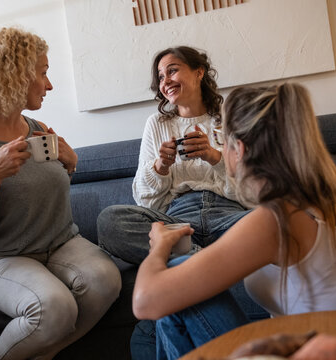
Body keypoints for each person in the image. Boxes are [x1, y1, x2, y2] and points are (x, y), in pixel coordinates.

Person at [132, 83, 336, 360]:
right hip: (308, 344)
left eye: (222, 139)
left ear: (239, 149)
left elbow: (145, 302)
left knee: (172, 279)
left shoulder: (274, 220)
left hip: (322, 351)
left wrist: (159, 247)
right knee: (176, 287)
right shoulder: (313, 202)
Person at [0, 27, 121, 360]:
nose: (49, 85)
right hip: (3, 258)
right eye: (43, 73)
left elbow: (42, 188)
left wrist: (71, 163)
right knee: (55, 307)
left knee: (106, 281)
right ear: (14, 76)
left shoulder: (37, 130)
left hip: (61, 243)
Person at [96, 46, 250, 358]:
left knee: (279, 218)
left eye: (173, 69)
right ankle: (204, 261)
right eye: (161, 76)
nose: (166, 79)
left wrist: (215, 157)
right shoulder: (157, 124)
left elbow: (252, 189)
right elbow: (143, 198)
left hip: (229, 215)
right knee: (110, 221)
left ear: (199, 72)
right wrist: (160, 167)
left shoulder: (230, 120)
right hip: (178, 222)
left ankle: (187, 268)